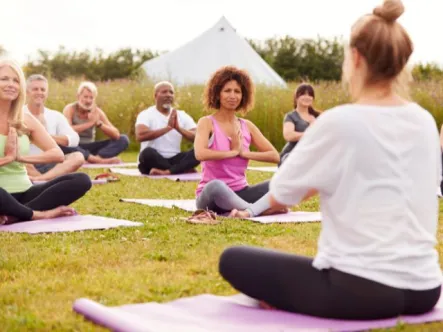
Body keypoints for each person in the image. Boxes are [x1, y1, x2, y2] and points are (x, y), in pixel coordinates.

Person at [219, 0, 442, 320]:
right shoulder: (423, 121)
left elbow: (282, 191)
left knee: (233, 259)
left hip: (359, 291)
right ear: (402, 61)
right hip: (425, 289)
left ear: (355, 57)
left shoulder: (339, 122)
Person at [0, 58, 91, 224]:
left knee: (81, 180)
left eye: (15, 80)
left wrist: (20, 158)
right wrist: (7, 159)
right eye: (4, 79)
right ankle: (37, 214)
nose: (11, 84)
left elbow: (57, 154)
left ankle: (15, 215)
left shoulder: (25, 119)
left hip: (25, 192)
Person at [193, 66, 284, 219]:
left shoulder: (247, 126)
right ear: (217, 94)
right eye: (227, 91)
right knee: (216, 185)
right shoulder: (207, 123)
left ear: (243, 96)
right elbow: (199, 154)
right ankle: (255, 210)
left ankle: (246, 210)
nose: (232, 96)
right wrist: (232, 152)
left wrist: (244, 153)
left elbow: (275, 156)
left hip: (241, 192)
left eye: (237, 91)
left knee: (281, 182)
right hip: (212, 196)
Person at [24, 74, 85, 181]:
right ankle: (44, 180)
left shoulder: (55, 115)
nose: (39, 92)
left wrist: (43, 136)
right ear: (27, 92)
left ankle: (41, 179)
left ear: (46, 93)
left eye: (42, 89)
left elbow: (74, 139)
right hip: (27, 163)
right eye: (35, 89)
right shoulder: (18, 113)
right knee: (17, 160)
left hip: (50, 164)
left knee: (78, 157)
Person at [135, 81, 200, 175]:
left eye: (171, 92)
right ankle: (181, 169)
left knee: (199, 150)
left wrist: (179, 129)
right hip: (153, 160)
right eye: (164, 92)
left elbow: (197, 137)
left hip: (174, 158)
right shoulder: (146, 114)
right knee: (147, 153)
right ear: (155, 95)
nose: (168, 95)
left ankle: (168, 171)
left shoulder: (182, 115)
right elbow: (140, 136)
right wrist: (167, 128)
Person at [62, 81, 129, 164]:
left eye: (91, 98)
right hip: (75, 146)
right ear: (78, 96)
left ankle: (95, 158)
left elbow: (116, 134)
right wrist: (90, 123)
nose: (88, 100)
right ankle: (97, 160)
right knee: (61, 143)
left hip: (90, 147)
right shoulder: (70, 109)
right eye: (85, 97)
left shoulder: (97, 112)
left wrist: (99, 123)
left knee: (123, 139)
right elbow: (67, 131)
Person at [279, 84, 320, 166]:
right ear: (296, 97)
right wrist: (311, 133)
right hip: (292, 155)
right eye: (303, 94)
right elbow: (289, 135)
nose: (307, 97)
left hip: (313, 154)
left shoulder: (318, 116)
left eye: (310, 95)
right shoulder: (291, 116)